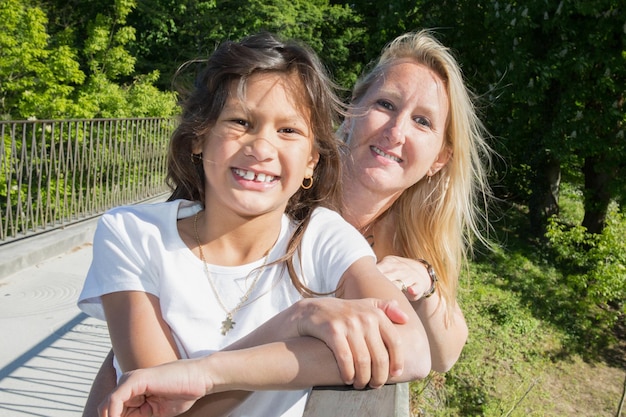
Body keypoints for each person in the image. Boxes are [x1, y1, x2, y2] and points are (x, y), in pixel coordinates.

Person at [91, 29, 494, 415]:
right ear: (350, 113)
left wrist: (426, 279)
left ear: (440, 158)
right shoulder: (262, 205)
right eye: (385, 105)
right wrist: (300, 322)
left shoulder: (340, 239)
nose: (396, 131)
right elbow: (154, 380)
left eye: (423, 121)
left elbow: (435, 351)